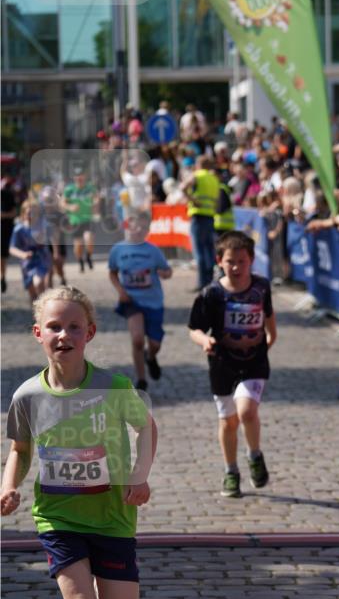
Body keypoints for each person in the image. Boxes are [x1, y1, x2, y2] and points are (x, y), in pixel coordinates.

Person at [1, 286, 157, 599]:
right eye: (54, 326)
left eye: (73, 326)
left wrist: (140, 473)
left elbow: (147, 426)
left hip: (112, 517)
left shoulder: (113, 387)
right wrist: (8, 485)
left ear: (89, 333)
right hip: (58, 516)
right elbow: (20, 450)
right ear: (37, 334)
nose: (63, 334)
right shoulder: (28, 394)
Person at [188, 231, 277, 499]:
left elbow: (270, 322)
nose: (236, 267)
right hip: (221, 364)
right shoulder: (211, 293)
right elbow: (194, 328)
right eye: (230, 262)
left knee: (247, 411)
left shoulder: (261, 287)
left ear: (251, 260)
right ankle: (231, 471)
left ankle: (254, 454)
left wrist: (266, 344)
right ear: (219, 261)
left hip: (254, 363)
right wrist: (204, 340)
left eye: (242, 261)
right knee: (228, 421)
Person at [108, 211, 173, 391]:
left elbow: (167, 271)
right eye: (136, 225)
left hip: (153, 302)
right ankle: (141, 379)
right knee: (137, 339)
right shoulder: (118, 250)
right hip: (131, 301)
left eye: (144, 227)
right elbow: (112, 272)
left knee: (155, 344)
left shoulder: (153, 251)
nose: (139, 229)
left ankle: (151, 357)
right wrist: (120, 290)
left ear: (147, 231)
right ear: (127, 225)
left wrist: (164, 274)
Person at [182, 155, 221, 290]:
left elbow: (182, 187)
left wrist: (191, 199)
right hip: (210, 217)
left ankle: (201, 282)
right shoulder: (214, 179)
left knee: (199, 251)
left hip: (198, 216)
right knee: (209, 250)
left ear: (198, 164)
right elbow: (217, 201)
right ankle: (210, 281)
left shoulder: (197, 175)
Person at [9, 200, 52, 302]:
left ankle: (44, 310)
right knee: (32, 293)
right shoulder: (19, 229)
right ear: (23, 214)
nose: (30, 216)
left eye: (33, 214)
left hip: (42, 259)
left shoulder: (43, 226)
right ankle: (36, 314)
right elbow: (12, 248)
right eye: (28, 214)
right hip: (27, 263)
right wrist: (23, 254)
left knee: (39, 283)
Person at [62, 165, 99, 272]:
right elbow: (62, 203)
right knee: (78, 245)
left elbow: (96, 198)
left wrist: (96, 205)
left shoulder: (90, 188)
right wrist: (70, 207)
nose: (79, 178)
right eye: (77, 176)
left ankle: (88, 256)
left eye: (81, 175)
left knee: (89, 239)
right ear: (74, 177)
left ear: (85, 176)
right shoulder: (69, 189)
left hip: (88, 219)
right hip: (75, 221)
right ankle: (80, 260)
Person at [1, 174, 17, 293]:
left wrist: (3, 216)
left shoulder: (7, 194)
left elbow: (13, 213)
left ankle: (3, 277)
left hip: (5, 230)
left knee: (2, 257)